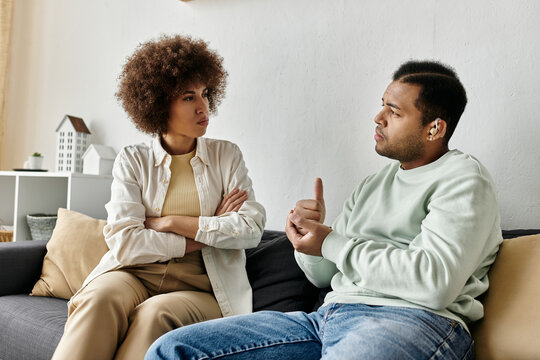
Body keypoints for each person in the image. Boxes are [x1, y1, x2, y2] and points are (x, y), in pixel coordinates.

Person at [145, 60, 502, 360]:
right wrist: (309, 242)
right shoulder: (373, 184)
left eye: (393, 111)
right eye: (382, 105)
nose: (377, 117)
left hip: (419, 322)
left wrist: (333, 242)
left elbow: (434, 283)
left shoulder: (463, 179)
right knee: (173, 349)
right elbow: (324, 276)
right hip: (327, 316)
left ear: (435, 128)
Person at [52, 35, 266, 360]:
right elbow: (125, 242)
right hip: (134, 272)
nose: (203, 106)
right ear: (157, 103)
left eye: (206, 94)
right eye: (188, 96)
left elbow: (250, 229)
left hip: (200, 285)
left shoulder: (227, 156)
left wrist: (170, 222)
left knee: (154, 315)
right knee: (98, 299)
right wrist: (210, 231)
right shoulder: (132, 160)